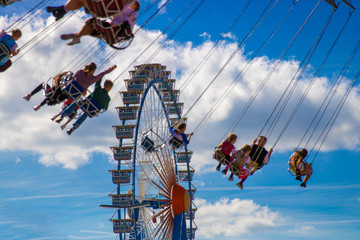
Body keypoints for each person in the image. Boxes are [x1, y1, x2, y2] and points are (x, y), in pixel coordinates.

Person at [60, 1, 140, 46]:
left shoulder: (129, 10)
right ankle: (77, 36)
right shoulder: (133, 16)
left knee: (91, 21)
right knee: (92, 26)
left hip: (114, 30)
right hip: (115, 35)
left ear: (134, 6)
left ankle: (77, 36)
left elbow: (114, 12)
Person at [46, 0, 136, 21]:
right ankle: (62, 11)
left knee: (82, 1)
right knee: (81, 1)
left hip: (100, 5)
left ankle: (63, 9)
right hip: (104, 12)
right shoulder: (130, 2)